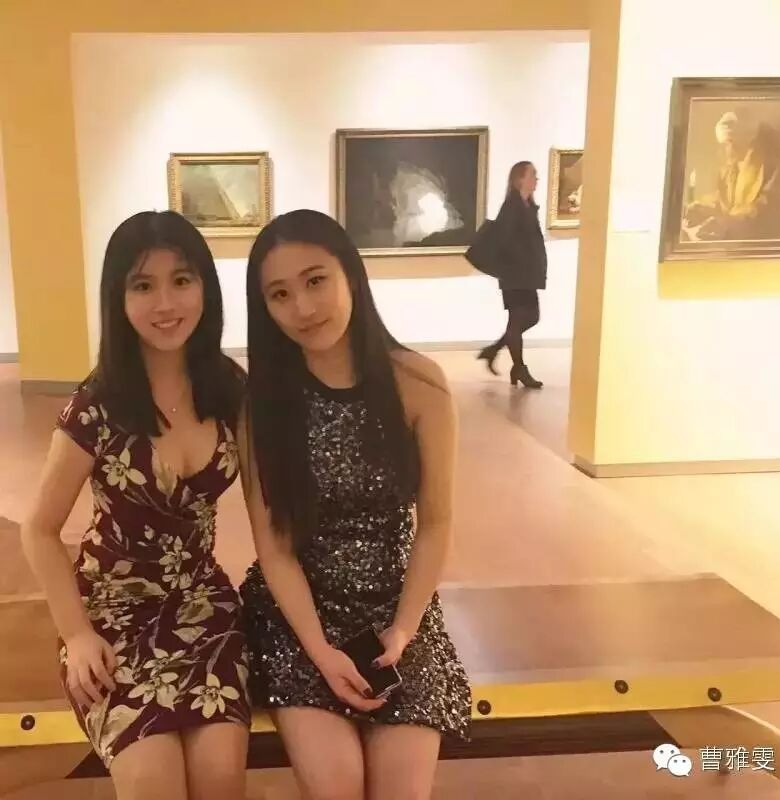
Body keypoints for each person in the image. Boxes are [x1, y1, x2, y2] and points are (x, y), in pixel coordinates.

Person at [238, 209, 471, 799]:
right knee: (336, 786)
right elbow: (274, 548)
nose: (303, 307)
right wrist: (320, 651)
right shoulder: (262, 402)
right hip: (298, 616)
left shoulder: (419, 384)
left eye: (316, 280)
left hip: (397, 609)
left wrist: (404, 629)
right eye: (279, 294)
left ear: (351, 274)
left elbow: (435, 523)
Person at [21, 211, 251, 800]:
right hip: (111, 614)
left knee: (221, 777)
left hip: (203, 606)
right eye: (143, 285)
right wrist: (76, 635)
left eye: (182, 279)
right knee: (152, 782)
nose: (165, 303)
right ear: (118, 299)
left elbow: (274, 522)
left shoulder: (229, 389)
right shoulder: (97, 403)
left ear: (205, 286)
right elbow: (39, 529)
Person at [476, 161, 548, 388]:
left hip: (524, 275)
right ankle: (518, 367)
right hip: (515, 275)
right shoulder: (512, 206)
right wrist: (522, 262)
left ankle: (494, 351)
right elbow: (505, 241)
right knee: (519, 321)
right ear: (519, 180)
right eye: (532, 175)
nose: (536, 179)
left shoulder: (527, 206)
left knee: (529, 318)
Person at [683, 110, 780, 242]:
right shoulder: (731, 166)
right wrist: (701, 207)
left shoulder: (771, 166)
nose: (724, 150)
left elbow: (766, 209)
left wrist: (727, 223)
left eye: (728, 143)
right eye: (722, 145)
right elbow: (723, 200)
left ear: (748, 141)